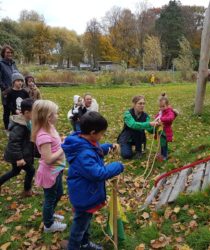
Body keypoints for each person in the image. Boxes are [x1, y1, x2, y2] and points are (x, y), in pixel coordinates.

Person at [61, 111, 124, 250]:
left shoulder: (84, 141)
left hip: (87, 192)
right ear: (93, 132)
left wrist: (106, 147)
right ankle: (73, 246)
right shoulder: (83, 153)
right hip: (84, 194)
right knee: (80, 225)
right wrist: (117, 166)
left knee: (85, 222)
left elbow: (92, 151)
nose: (102, 136)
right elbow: (97, 173)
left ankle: (84, 243)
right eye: (101, 134)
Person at [31, 100, 67, 233]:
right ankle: (48, 225)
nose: (58, 115)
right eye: (55, 113)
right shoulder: (43, 135)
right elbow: (49, 159)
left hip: (58, 170)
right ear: (48, 117)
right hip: (50, 172)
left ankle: (50, 213)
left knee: (59, 194)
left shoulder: (50, 128)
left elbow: (55, 145)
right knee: (50, 198)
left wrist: (61, 140)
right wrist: (63, 147)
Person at [0, 98, 35, 197]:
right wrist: (19, 158)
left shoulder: (28, 121)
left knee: (15, 171)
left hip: (22, 153)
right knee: (31, 170)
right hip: (18, 155)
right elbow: (14, 143)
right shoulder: (19, 126)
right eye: (35, 112)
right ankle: (27, 191)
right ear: (27, 112)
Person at [117, 95, 158, 159]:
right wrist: (149, 123)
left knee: (139, 155)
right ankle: (122, 146)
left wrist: (156, 126)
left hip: (139, 138)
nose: (142, 105)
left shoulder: (145, 116)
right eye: (140, 103)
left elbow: (150, 129)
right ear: (134, 104)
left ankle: (138, 149)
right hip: (127, 137)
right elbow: (133, 125)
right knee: (126, 155)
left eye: (143, 103)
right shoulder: (127, 114)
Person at [0, 45, 19, 132]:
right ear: (3, 53)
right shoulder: (0, 64)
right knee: (7, 111)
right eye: (8, 52)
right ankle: (7, 129)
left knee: (15, 109)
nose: (10, 54)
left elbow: (18, 75)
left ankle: (16, 128)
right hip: (6, 91)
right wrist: (5, 88)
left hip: (16, 90)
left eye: (11, 52)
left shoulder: (13, 63)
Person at [154, 93, 178, 161]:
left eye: (163, 106)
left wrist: (161, 119)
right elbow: (157, 116)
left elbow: (170, 118)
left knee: (164, 144)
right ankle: (161, 153)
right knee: (160, 143)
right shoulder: (161, 111)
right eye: (160, 106)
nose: (161, 108)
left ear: (167, 105)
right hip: (160, 131)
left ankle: (165, 155)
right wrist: (156, 119)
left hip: (165, 131)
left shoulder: (170, 111)